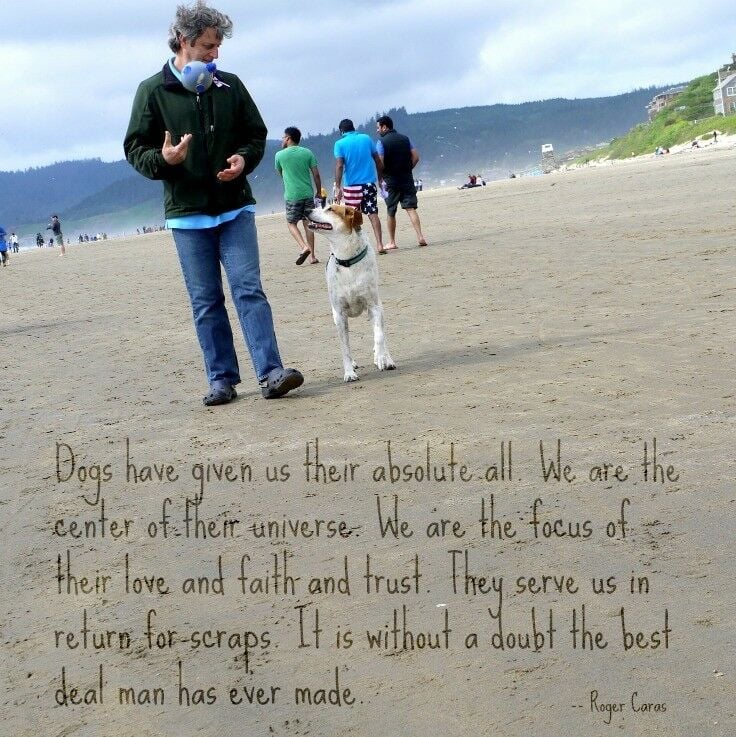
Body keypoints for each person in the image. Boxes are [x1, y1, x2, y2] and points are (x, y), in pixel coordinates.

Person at [124, 0, 303, 406]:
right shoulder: (152, 91)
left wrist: (244, 159)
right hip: (187, 216)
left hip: (235, 208)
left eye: (219, 46)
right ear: (184, 42)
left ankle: (272, 372)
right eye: (208, 46)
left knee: (249, 290)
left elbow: (256, 135)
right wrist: (163, 160)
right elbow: (135, 148)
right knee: (206, 301)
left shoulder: (230, 85)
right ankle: (222, 380)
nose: (216, 54)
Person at [333, 118, 386, 254]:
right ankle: (380, 244)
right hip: (369, 183)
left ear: (341, 131)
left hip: (352, 186)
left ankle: (360, 245)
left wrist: (338, 186)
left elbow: (339, 165)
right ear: (353, 127)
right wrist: (380, 179)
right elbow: (378, 160)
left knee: (353, 217)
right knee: (373, 213)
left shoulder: (340, 143)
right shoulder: (366, 138)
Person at [375, 115, 427, 249]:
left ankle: (392, 241)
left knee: (391, 211)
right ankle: (420, 236)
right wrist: (408, 169)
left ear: (384, 127)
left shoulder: (381, 142)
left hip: (390, 181)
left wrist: (380, 178)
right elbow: (416, 157)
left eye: (378, 127)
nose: (377, 130)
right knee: (411, 209)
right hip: (406, 179)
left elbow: (380, 162)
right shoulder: (405, 139)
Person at [274, 126, 321, 265]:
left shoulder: (279, 155)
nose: (282, 140)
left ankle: (303, 247)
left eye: (283, 137)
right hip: (307, 193)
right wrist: (318, 191)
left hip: (292, 195)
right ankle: (312, 256)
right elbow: (316, 174)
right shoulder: (307, 152)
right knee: (308, 224)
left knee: (291, 223)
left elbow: (280, 174)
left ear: (288, 138)